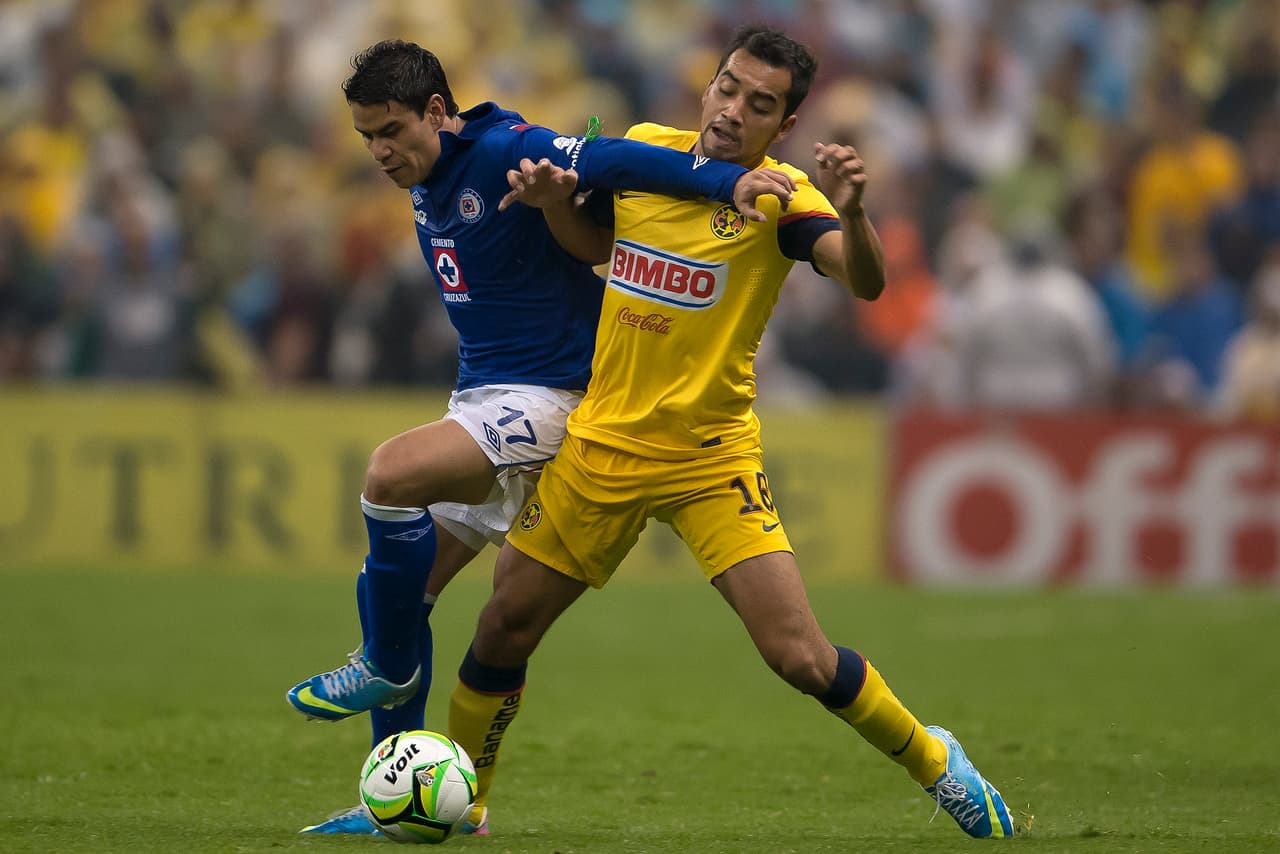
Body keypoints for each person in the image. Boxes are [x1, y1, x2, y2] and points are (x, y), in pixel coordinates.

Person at [446, 24, 1016, 840]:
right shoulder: (646, 151)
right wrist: (548, 208)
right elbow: (598, 243)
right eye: (728, 87)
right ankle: (466, 807)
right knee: (504, 624)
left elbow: (865, 281)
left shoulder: (783, 196)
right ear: (708, 84)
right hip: (604, 442)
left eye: (760, 104)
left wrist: (855, 216)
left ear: (783, 125)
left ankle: (936, 761)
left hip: (710, 458)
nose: (732, 110)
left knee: (801, 659)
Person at [284, 38, 796, 836]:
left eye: (392, 131)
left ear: (435, 113)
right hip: (488, 396)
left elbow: (621, 158)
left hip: (556, 395)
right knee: (402, 592)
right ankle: (397, 801)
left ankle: (383, 670)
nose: (380, 152)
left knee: (388, 477)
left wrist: (731, 180)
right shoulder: (431, 172)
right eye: (366, 138)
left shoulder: (503, 149)